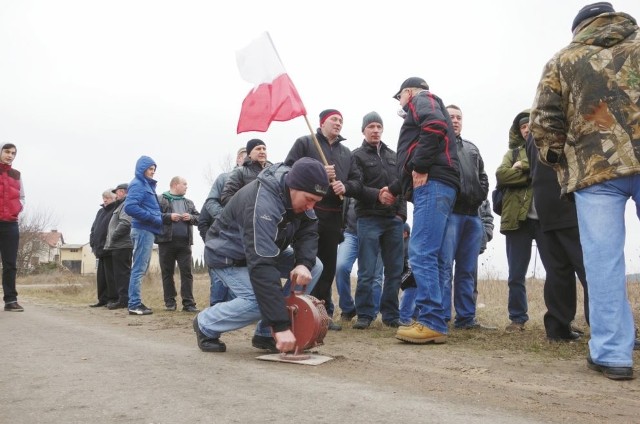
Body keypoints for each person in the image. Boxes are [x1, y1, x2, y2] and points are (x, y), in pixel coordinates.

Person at [530, 2, 638, 380]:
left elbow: (543, 121)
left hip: (596, 170)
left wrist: (559, 160)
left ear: (579, 28)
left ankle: (612, 354)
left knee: (602, 262)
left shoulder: (564, 59)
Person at [194, 158, 328, 353]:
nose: (310, 207)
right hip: (227, 255)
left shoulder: (302, 200)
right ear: (293, 186)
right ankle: (205, 323)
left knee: (313, 266)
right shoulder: (264, 203)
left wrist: (302, 263)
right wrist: (281, 326)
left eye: (316, 202)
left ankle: (266, 333)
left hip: (262, 253)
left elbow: (308, 231)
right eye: (309, 200)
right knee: (258, 302)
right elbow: (262, 266)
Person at [389, 77, 460, 344]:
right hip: (441, 184)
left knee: (420, 253)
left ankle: (430, 321)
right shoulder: (428, 103)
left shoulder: (422, 99)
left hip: (433, 184)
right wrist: (394, 188)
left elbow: (434, 126)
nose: (401, 103)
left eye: (399, 97)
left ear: (407, 92)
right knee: (434, 255)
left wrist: (420, 165)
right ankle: (436, 320)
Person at [285, 109, 362, 331]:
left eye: (341, 120)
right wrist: (318, 171)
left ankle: (322, 314)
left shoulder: (347, 153)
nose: (338, 123)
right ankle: (295, 310)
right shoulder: (304, 143)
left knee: (327, 269)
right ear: (321, 123)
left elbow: (358, 182)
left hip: (334, 216)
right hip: (307, 212)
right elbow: (288, 170)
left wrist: (345, 186)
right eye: (334, 120)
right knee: (305, 263)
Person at [525, 132, 590, 341]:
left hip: (546, 205)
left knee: (558, 269)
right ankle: (607, 328)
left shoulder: (534, 129)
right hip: (569, 199)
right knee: (591, 268)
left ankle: (558, 329)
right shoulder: (568, 121)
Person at [352, 111, 406, 329]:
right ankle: (364, 314)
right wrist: (378, 195)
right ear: (364, 130)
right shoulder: (356, 156)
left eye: (378, 126)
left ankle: (391, 315)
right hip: (368, 219)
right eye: (371, 126)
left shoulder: (394, 155)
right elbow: (356, 187)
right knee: (367, 270)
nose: (375, 130)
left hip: (393, 220)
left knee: (394, 271)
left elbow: (402, 186)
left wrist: (401, 215)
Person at [440, 104, 493, 330]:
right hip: (451, 214)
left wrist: (479, 195)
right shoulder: (439, 147)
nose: (455, 121)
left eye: (458, 117)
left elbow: (483, 177)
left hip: (473, 216)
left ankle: (466, 318)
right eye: (450, 117)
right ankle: (441, 316)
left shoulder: (472, 148)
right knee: (444, 267)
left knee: (467, 269)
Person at [495, 110, 542, 332]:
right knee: (516, 273)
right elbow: (502, 175)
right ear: (519, 130)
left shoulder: (551, 149)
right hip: (517, 220)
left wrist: (523, 167)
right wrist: (532, 171)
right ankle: (517, 318)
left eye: (530, 125)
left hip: (545, 219)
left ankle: (561, 319)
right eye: (523, 127)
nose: (527, 130)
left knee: (557, 270)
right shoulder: (512, 153)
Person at [200, 147, 247, 306]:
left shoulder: (261, 179)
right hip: (223, 238)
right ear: (238, 159)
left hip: (247, 238)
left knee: (242, 281)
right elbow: (208, 207)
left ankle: (237, 312)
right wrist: (226, 219)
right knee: (220, 281)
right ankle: (213, 314)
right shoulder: (224, 179)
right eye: (244, 156)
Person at [124, 156, 163, 316]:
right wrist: (153, 218)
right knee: (139, 268)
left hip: (146, 230)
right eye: (150, 169)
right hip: (143, 229)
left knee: (141, 267)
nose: (152, 172)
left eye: (154, 170)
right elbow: (130, 207)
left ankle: (136, 302)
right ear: (142, 169)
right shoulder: (138, 184)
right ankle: (134, 304)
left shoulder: (146, 185)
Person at [335, 198, 383, 322]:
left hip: (374, 234)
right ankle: (348, 308)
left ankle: (371, 314)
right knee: (341, 267)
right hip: (350, 233)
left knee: (375, 276)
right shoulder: (351, 183)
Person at [156, 176, 200, 312]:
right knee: (167, 273)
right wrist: (169, 217)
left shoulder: (189, 203)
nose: (187, 186)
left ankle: (188, 304)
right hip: (166, 242)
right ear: (175, 185)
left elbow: (200, 218)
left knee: (187, 273)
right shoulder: (160, 199)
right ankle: (170, 303)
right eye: (184, 184)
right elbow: (153, 215)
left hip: (185, 243)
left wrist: (191, 217)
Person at [0, 143, 25, 312]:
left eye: (13, 153)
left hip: (10, 224)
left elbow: (22, 197)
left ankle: (10, 300)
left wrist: (17, 210)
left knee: (10, 264)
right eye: (7, 152)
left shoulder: (17, 174)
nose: (10, 155)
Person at [104, 183, 133, 310]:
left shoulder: (126, 205)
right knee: (119, 274)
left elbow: (126, 223)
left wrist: (114, 236)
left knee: (122, 274)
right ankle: (123, 299)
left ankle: (124, 300)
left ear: (123, 192)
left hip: (122, 245)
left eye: (118, 192)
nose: (116, 195)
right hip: (118, 246)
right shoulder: (120, 205)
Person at [88, 189, 118, 308]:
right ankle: (102, 299)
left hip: (110, 248)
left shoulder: (115, 210)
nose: (105, 200)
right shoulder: (100, 211)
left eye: (108, 198)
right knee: (101, 277)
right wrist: (92, 242)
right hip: (99, 249)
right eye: (104, 198)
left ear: (114, 198)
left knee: (111, 276)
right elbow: (94, 228)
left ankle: (113, 299)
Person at [220, 139, 271, 206]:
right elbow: (226, 197)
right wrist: (248, 207)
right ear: (249, 154)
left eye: (264, 149)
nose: (262, 151)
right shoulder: (240, 172)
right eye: (258, 149)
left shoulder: (273, 172)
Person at [475, 199, 494, 306]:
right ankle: (444, 315)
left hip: (473, 240)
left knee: (469, 278)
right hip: (447, 239)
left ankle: (467, 316)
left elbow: (487, 216)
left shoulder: (479, 188)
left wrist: (486, 234)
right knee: (445, 274)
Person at [399, 222, 418, 325]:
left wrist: (401, 280)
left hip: (411, 279)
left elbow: (410, 268)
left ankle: (404, 318)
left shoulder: (407, 245)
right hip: (412, 278)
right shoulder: (406, 243)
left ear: (405, 233)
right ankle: (415, 317)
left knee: (409, 294)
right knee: (415, 298)